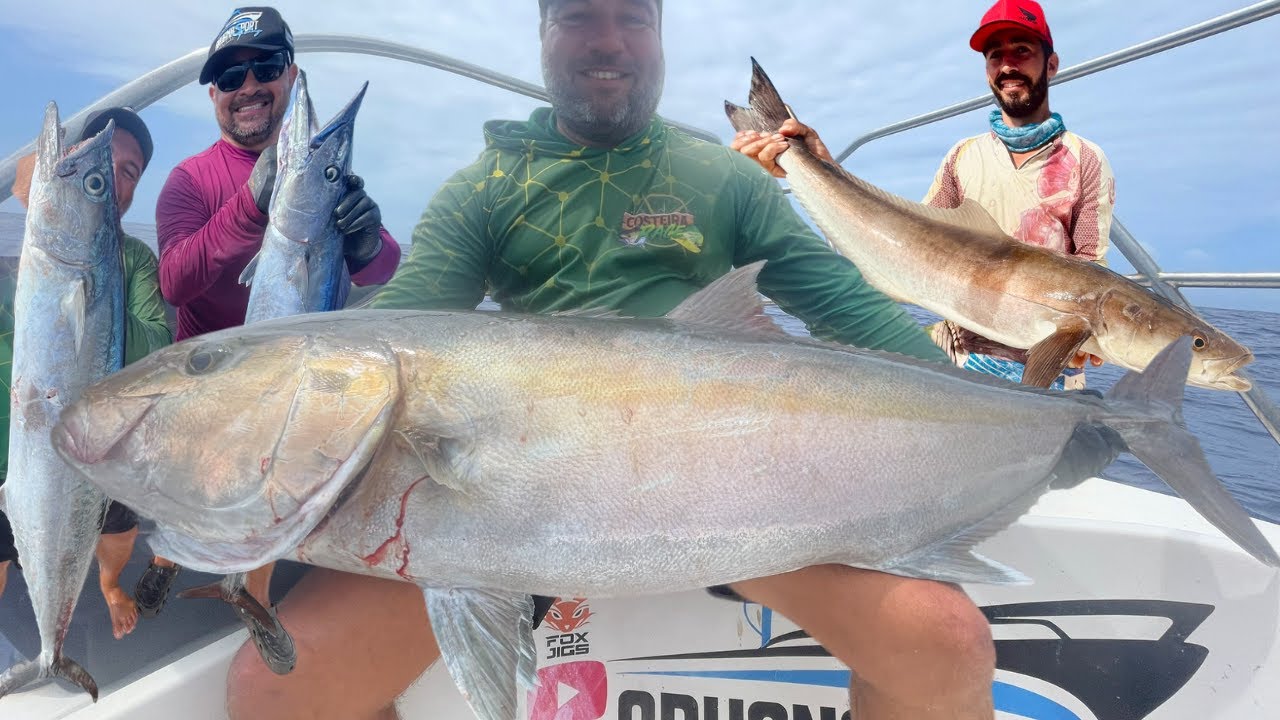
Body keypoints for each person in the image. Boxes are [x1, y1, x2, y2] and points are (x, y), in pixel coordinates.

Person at [224, 2, 998, 719]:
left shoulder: (724, 178)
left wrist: (1006, 416)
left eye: (632, 17)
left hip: (731, 498)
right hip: (517, 507)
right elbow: (400, 335)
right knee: (273, 688)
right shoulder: (489, 188)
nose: (607, 40)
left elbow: (853, 313)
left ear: (659, 37)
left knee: (946, 643)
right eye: (578, 16)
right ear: (544, 35)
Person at [154, 6, 401, 676]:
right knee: (196, 503)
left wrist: (367, 240)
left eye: (265, 67)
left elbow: (385, 273)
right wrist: (251, 206)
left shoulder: (320, 170)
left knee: (274, 490)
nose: (248, 85)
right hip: (210, 395)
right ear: (213, 95)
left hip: (291, 384)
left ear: (291, 73)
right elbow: (174, 279)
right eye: (230, 76)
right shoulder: (190, 181)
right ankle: (166, 568)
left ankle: (249, 598)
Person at [734, 0, 1115, 391]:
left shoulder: (1085, 159)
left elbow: (1089, 269)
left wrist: (1084, 339)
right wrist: (818, 164)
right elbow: (911, 240)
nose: (1007, 66)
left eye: (1022, 50)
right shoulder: (963, 156)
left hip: (1047, 372)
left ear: (1051, 64)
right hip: (955, 362)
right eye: (994, 55)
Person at [2, 107, 174, 640]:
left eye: (128, 173)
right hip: (18, 440)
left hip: (107, 443)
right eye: (102, 167)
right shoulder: (26, 250)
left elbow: (156, 346)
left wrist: (99, 295)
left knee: (117, 529)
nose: (117, 182)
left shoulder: (136, 260)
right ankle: (49, 630)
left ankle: (107, 583)